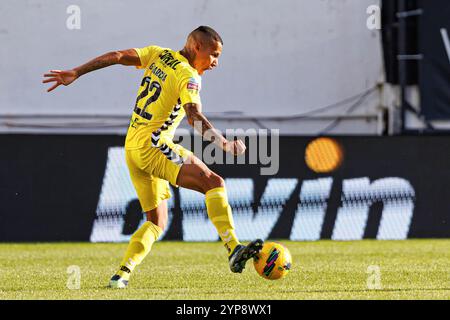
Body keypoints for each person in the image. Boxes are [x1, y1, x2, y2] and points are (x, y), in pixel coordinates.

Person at [43, 26, 263, 288]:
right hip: (153, 145)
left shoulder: (159, 54)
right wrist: (224, 144)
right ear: (197, 48)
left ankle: (121, 275)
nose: (216, 62)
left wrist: (77, 72)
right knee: (213, 183)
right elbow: (193, 116)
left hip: (132, 146)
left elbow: (117, 55)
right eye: (214, 54)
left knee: (157, 221)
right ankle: (233, 247)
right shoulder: (188, 75)